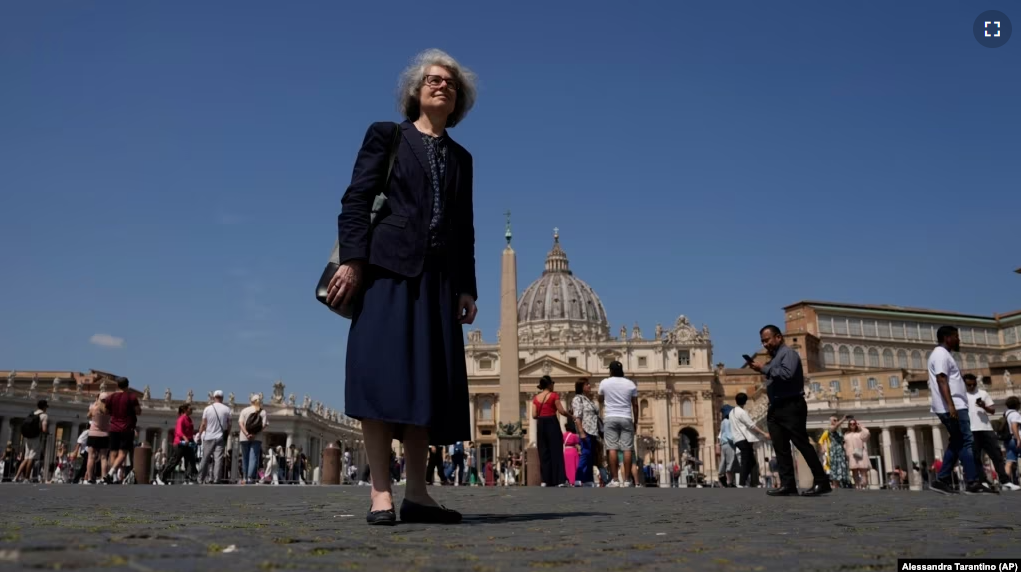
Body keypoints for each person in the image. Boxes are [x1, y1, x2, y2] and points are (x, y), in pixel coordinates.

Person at [325, 49, 478, 526]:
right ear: (415, 91)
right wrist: (352, 260)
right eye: (433, 80)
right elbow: (357, 198)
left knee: (424, 388)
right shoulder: (388, 136)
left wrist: (467, 287)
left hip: (438, 280)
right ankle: (379, 494)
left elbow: (464, 227)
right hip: (387, 270)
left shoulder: (462, 158)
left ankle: (418, 494)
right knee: (378, 378)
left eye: (450, 84)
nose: (441, 86)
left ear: (458, 100)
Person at [748, 325, 830, 496]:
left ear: (778, 337)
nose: (765, 344)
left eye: (767, 340)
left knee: (801, 444)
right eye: (762, 341)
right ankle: (788, 484)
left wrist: (763, 368)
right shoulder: (776, 357)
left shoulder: (789, 354)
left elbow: (787, 374)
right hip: (776, 407)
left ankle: (822, 482)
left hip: (791, 405)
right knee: (780, 447)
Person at [927, 326, 993, 494]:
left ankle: (942, 480)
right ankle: (972, 482)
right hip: (952, 405)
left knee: (958, 441)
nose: (959, 340)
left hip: (954, 405)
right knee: (966, 441)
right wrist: (951, 405)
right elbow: (942, 379)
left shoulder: (944, 355)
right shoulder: (941, 355)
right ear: (947, 338)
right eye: (956, 336)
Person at [964, 374, 1018, 491]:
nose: (972, 386)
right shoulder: (961, 396)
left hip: (986, 428)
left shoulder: (983, 393)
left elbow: (992, 411)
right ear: (964, 384)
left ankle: (1005, 481)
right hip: (971, 430)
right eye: (969, 384)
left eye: (974, 384)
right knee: (976, 457)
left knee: (997, 455)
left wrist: (983, 406)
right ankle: (982, 481)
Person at [599, 361, 638, 487]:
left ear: (610, 371)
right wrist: (635, 421)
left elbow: (600, 399)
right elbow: (635, 405)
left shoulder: (604, 383)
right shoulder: (630, 384)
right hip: (626, 417)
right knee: (627, 449)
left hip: (610, 417)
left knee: (612, 449)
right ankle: (627, 480)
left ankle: (615, 480)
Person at [102, 377, 141, 484]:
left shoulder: (111, 397)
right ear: (127, 385)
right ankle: (111, 473)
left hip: (113, 427)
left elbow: (105, 411)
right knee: (123, 453)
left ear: (117, 385)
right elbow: (138, 411)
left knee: (113, 453)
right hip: (126, 428)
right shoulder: (131, 397)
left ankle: (112, 477)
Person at [533, 375, 570, 487]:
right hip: (552, 423)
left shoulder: (536, 398)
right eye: (553, 383)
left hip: (541, 424)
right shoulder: (554, 396)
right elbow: (562, 411)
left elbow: (534, 415)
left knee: (543, 452)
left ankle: (545, 480)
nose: (553, 385)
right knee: (556, 451)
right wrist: (571, 415)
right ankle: (559, 480)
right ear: (549, 384)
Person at [730, 393, 769, 487]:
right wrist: (764, 433)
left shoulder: (732, 412)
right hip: (743, 439)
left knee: (752, 462)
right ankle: (742, 483)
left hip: (737, 439)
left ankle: (753, 482)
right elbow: (751, 425)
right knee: (746, 461)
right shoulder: (742, 412)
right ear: (745, 401)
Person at [196, 390, 232, 484]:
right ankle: (216, 479)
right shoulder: (227, 409)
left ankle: (200, 479)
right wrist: (227, 435)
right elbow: (229, 425)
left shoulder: (207, 409)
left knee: (205, 458)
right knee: (218, 459)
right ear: (222, 398)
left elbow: (203, 424)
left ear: (214, 397)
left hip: (209, 437)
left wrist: (199, 435)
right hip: (220, 437)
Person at [571, 378, 600, 487]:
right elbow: (577, 417)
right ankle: (578, 477)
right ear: (581, 386)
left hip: (593, 431)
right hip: (586, 430)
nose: (589, 386)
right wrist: (581, 432)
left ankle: (588, 479)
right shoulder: (578, 399)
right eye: (587, 384)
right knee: (585, 453)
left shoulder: (588, 399)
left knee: (590, 456)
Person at [13, 399, 49, 483]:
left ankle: (16, 477)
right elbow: (44, 429)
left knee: (26, 458)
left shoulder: (32, 414)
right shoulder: (44, 415)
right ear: (44, 407)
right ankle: (26, 478)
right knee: (31, 458)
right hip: (36, 437)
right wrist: (47, 433)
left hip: (27, 437)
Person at [239, 394, 269, 485]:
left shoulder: (244, 410)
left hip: (244, 437)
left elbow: (241, 423)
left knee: (245, 457)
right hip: (257, 437)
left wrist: (247, 434)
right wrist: (254, 434)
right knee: (253, 458)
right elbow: (264, 425)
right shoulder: (263, 412)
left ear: (251, 401)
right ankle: (250, 477)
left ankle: (244, 477)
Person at [1002, 396, 1020, 485]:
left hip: (1008, 441)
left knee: (1009, 461)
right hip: (1015, 439)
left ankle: (1006, 483)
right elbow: (1014, 426)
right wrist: (1018, 439)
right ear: (1018, 405)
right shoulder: (1015, 414)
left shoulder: (1006, 414)